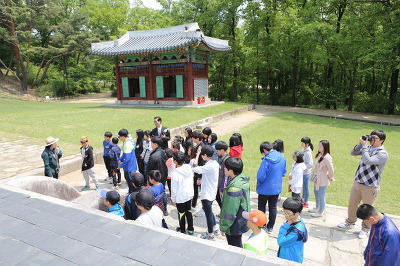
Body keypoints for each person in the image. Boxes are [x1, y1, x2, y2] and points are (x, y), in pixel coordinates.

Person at [338, 130, 389, 239]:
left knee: (368, 209)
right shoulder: (368, 148)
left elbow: (368, 160)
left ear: (382, 140)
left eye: (374, 138)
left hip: (370, 186)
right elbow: (353, 152)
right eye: (371, 137)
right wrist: (361, 144)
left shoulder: (383, 154)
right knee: (352, 204)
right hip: (358, 182)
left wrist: (365, 146)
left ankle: (365, 229)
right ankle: (350, 222)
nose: (372, 139)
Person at [219, 157, 250, 247]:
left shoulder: (234, 189)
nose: (224, 168)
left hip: (234, 225)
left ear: (231, 170)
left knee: (235, 247)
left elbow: (230, 212)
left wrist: (224, 227)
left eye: (225, 167)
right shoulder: (242, 179)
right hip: (242, 220)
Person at [256, 141, 286, 234]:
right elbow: (284, 172)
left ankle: (261, 224)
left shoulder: (266, 160)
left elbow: (261, 176)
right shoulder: (281, 157)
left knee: (261, 207)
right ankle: (270, 227)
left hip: (264, 189)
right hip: (276, 188)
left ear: (265, 150)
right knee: (273, 207)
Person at [192, 145, 219, 240]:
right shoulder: (213, 163)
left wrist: (197, 154)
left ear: (205, 155)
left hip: (207, 193)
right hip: (211, 191)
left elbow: (194, 168)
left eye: (202, 154)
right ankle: (215, 228)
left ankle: (210, 234)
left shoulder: (210, 165)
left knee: (208, 215)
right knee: (210, 211)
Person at [171, 151, 194, 235]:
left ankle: (182, 229)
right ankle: (191, 229)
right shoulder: (189, 168)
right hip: (189, 194)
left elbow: (173, 189)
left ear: (175, 161)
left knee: (181, 213)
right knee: (189, 211)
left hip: (180, 197)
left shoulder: (175, 173)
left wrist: (173, 199)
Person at [278, 197, 307, 263]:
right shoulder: (299, 220)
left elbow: (280, 241)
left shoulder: (296, 232)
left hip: (289, 259)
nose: (285, 215)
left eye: (288, 213)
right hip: (291, 256)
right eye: (284, 212)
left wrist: (285, 226)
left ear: (297, 213)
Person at [309, 140, 334, 218]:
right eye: (319, 146)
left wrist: (330, 177)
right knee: (316, 193)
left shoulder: (327, 157)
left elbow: (331, 169)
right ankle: (317, 207)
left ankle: (320, 212)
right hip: (317, 177)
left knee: (321, 195)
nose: (318, 147)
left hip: (322, 179)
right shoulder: (320, 155)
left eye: (320, 146)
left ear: (325, 147)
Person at [117, 129, 137, 194]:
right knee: (130, 183)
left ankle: (132, 196)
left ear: (123, 137)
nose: (118, 138)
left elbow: (127, 159)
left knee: (131, 183)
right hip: (131, 166)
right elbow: (125, 155)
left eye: (119, 136)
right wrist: (120, 159)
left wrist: (120, 165)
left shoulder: (127, 145)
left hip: (129, 168)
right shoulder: (127, 141)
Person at [191, 130, 205, 210]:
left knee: (197, 190)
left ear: (197, 138)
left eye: (193, 137)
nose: (192, 139)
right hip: (198, 171)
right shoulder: (198, 146)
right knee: (196, 189)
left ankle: (195, 205)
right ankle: (193, 204)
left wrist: (200, 177)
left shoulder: (201, 147)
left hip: (199, 172)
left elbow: (202, 162)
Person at [215, 141, 230, 208]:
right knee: (218, 198)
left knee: (223, 202)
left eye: (217, 150)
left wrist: (222, 189)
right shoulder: (221, 158)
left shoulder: (226, 160)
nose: (216, 152)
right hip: (219, 183)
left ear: (222, 150)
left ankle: (223, 215)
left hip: (223, 185)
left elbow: (226, 176)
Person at [300, 137, 313, 208]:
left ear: (307, 144)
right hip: (303, 172)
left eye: (303, 142)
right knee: (304, 187)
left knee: (306, 187)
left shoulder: (308, 153)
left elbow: (310, 164)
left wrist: (303, 168)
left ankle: (306, 201)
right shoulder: (303, 150)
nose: (301, 143)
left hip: (306, 173)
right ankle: (303, 199)